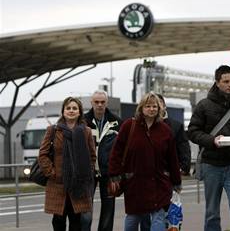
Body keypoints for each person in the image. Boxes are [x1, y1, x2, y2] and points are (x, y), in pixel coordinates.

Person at [188, 65, 230, 231]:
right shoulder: (204, 105)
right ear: (217, 83)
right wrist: (212, 141)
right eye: (226, 81)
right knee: (212, 211)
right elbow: (192, 132)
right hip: (211, 165)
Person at [108, 92, 182, 231]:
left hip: (159, 182)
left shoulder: (165, 130)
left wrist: (176, 181)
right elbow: (116, 151)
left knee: (158, 215)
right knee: (133, 217)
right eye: (148, 106)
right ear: (141, 108)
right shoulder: (129, 126)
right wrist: (114, 174)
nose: (152, 109)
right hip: (134, 182)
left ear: (159, 109)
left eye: (154, 106)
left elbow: (172, 158)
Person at [39, 97, 96, 231]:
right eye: (68, 108)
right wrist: (52, 173)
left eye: (74, 108)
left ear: (79, 112)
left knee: (76, 222)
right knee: (58, 221)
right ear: (63, 111)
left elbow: (92, 156)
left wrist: (84, 173)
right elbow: (43, 155)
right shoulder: (53, 130)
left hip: (79, 185)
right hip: (58, 184)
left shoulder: (86, 131)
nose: (71, 111)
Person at [81, 90, 122, 231]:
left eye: (102, 102)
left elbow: (122, 148)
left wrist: (118, 172)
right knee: (85, 212)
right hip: (88, 173)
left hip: (109, 173)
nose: (99, 105)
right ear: (91, 103)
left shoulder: (116, 122)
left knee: (108, 210)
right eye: (96, 102)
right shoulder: (82, 121)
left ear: (107, 103)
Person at [157, 93, 191, 175]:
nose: (155, 106)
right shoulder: (140, 126)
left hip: (168, 172)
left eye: (159, 103)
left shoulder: (176, 126)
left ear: (164, 106)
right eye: (149, 105)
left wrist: (183, 167)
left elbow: (183, 148)